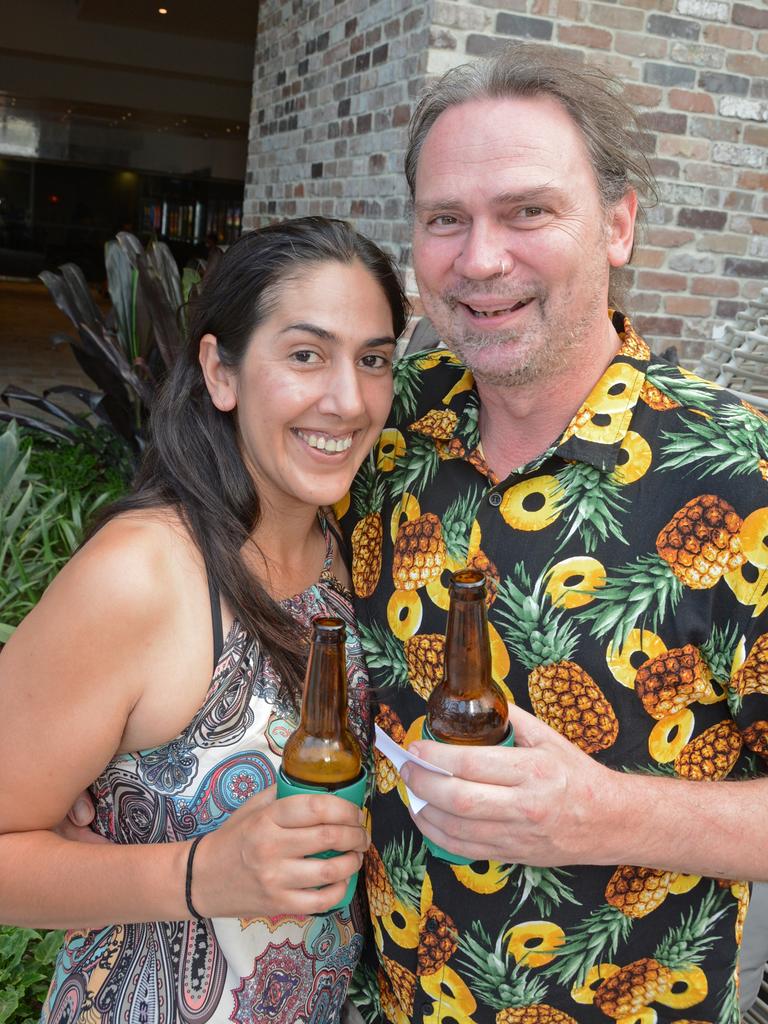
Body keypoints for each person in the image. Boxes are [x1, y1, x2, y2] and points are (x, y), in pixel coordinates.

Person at [336, 45, 768, 1024]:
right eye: (447, 219)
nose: (481, 258)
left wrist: (608, 812)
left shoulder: (742, 477)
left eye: (528, 211)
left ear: (618, 224)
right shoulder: (380, 426)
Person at [0, 216, 409, 1024]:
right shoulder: (142, 575)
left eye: (374, 360)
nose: (349, 399)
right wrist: (198, 875)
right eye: (305, 354)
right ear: (220, 371)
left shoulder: (354, 555)